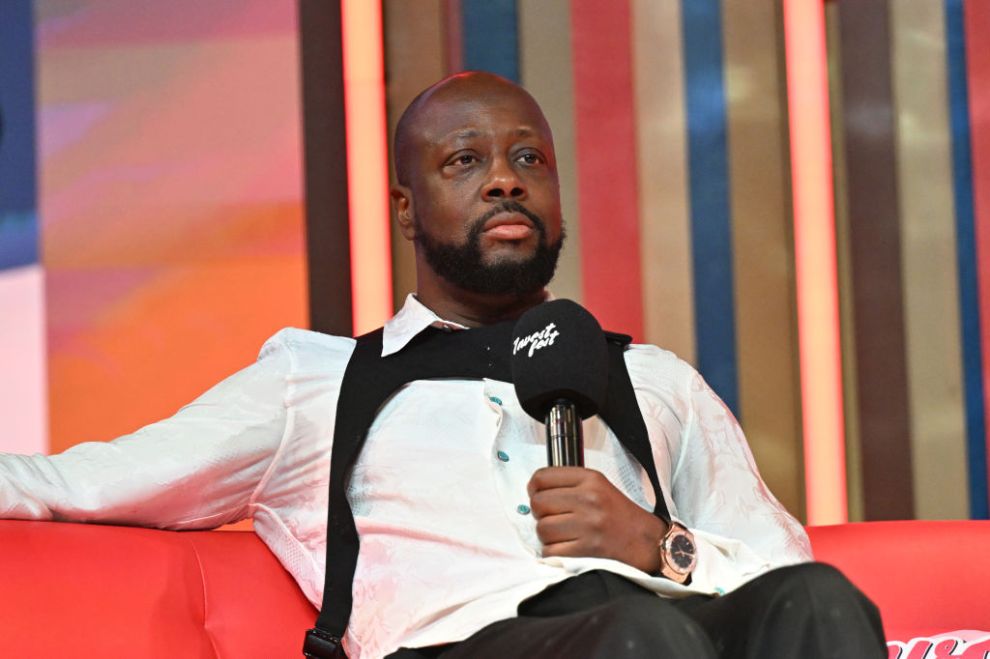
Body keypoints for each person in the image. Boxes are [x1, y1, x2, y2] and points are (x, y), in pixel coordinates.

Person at [0, 72, 884, 658]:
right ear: (406, 208)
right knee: (637, 634)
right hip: (459, 643)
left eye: (527, 159)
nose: (505, 181)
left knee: (820, 604)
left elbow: (781, 570)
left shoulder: (652, 381)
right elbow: (80, 480)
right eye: (465, 161)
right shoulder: (316, 383)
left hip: (649, 625)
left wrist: (658, 543)